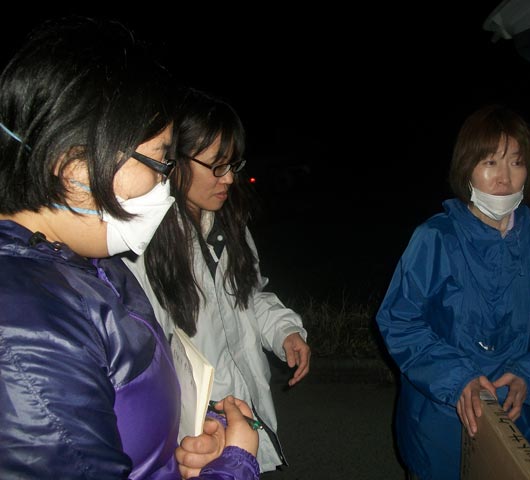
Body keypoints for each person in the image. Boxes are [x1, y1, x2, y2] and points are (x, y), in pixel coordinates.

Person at [0, 16, 259, 479]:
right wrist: (235, 465)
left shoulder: (87, 259)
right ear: (73, 163)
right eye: (160, 161)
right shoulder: (24, 330)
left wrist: (183, 453)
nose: (167, 183)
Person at [375, 104, 530, 480]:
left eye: (516, 163)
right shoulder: (435, 239)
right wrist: (457, 379)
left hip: (515, 414)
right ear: (467, 168)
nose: (504, 179)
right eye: (490, 163)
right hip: (440, 416)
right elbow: (400, 321)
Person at [123, 88, 311, 473]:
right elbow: (146, 357)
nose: (229, 179)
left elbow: (250, 294)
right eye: (216, 165)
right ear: (174, 160)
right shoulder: (145, 246)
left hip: (245, 409)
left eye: (234, 166)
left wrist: (285, 331)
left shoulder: (229, 224)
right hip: (194, 435)